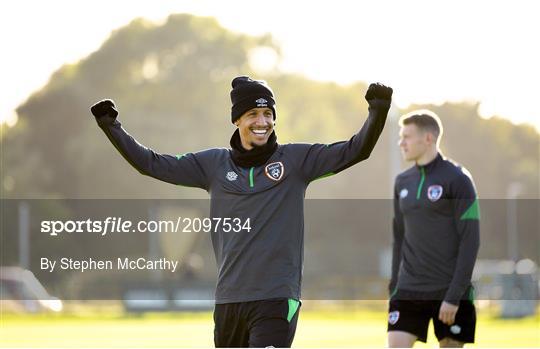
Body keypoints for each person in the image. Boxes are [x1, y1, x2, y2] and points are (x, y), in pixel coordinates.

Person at [91, 76, 392, 347]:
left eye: (268, 114)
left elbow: (356, 150)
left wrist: (377, 111)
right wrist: (111, 126)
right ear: (237, 120)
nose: (262, 121)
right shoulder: (212, 165)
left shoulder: (298, 160)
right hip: (229, 301)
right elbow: (151, 164)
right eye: (253, 114)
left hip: (276, 298)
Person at [388, 110, 480, 347]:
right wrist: (394, 284)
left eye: (407, 136)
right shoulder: (402, 182)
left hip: (448, 291)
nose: (401, 142)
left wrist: (454, 295)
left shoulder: (459, 179)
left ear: (428, 139)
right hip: (408, 290)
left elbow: (470, 241)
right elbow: (399, 236)